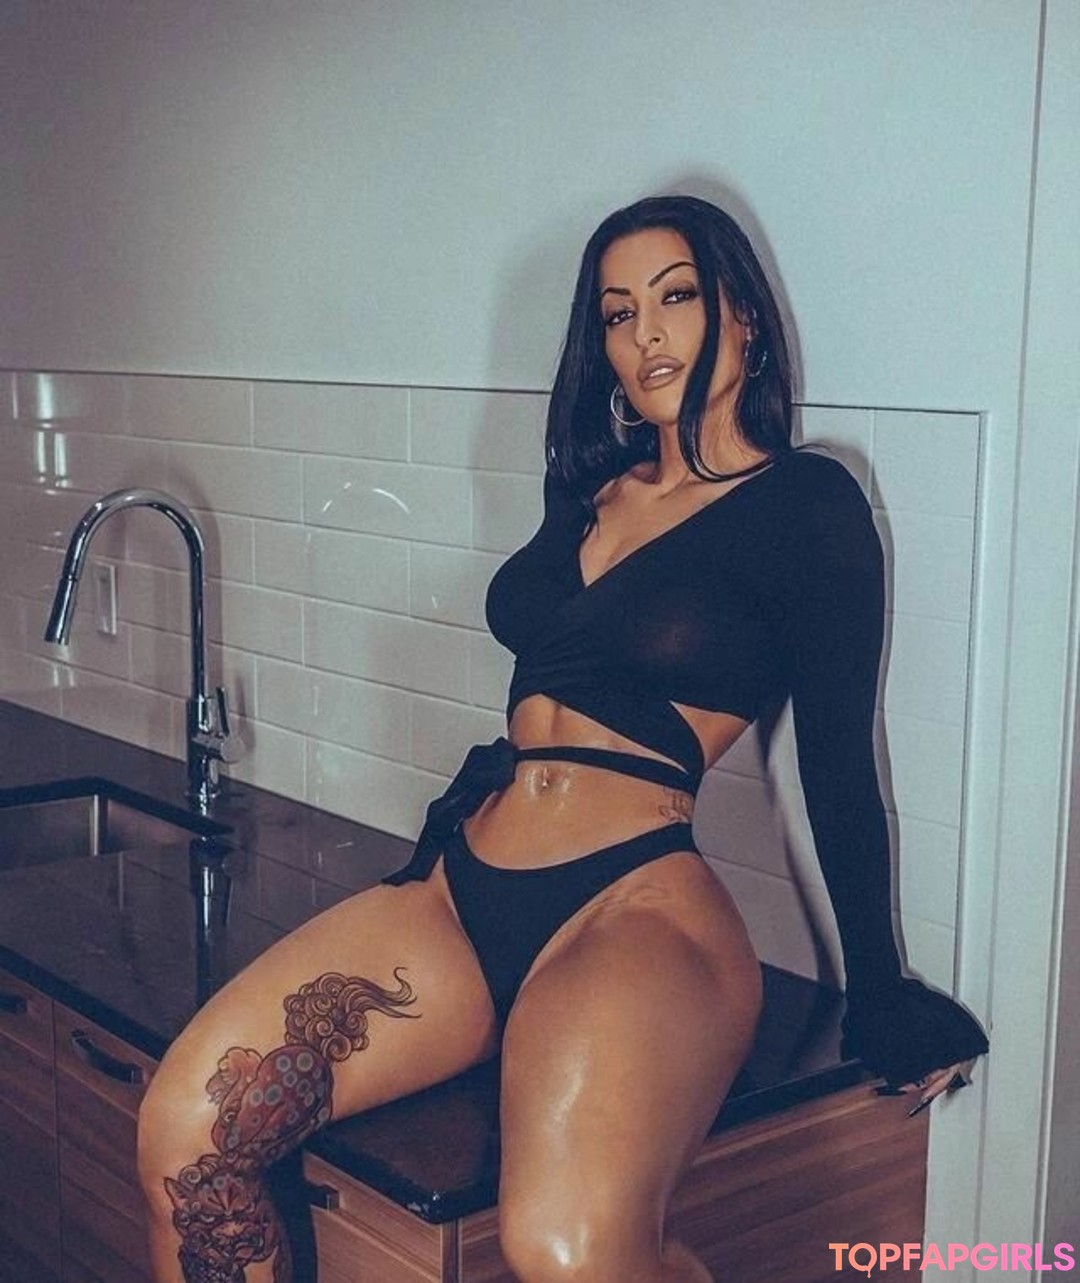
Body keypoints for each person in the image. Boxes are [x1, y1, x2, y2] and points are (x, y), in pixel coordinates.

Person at [137, 193, 989, 1283]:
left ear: (745, 315)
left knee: (565, 1247)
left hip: (632, 907)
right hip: (460, 891)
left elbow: (837, 760)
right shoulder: (590, 490)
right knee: (188, 1131)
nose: (647, 334)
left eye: (677, 297)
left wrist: (877, 985)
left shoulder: (806, 500)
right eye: (619, 312)